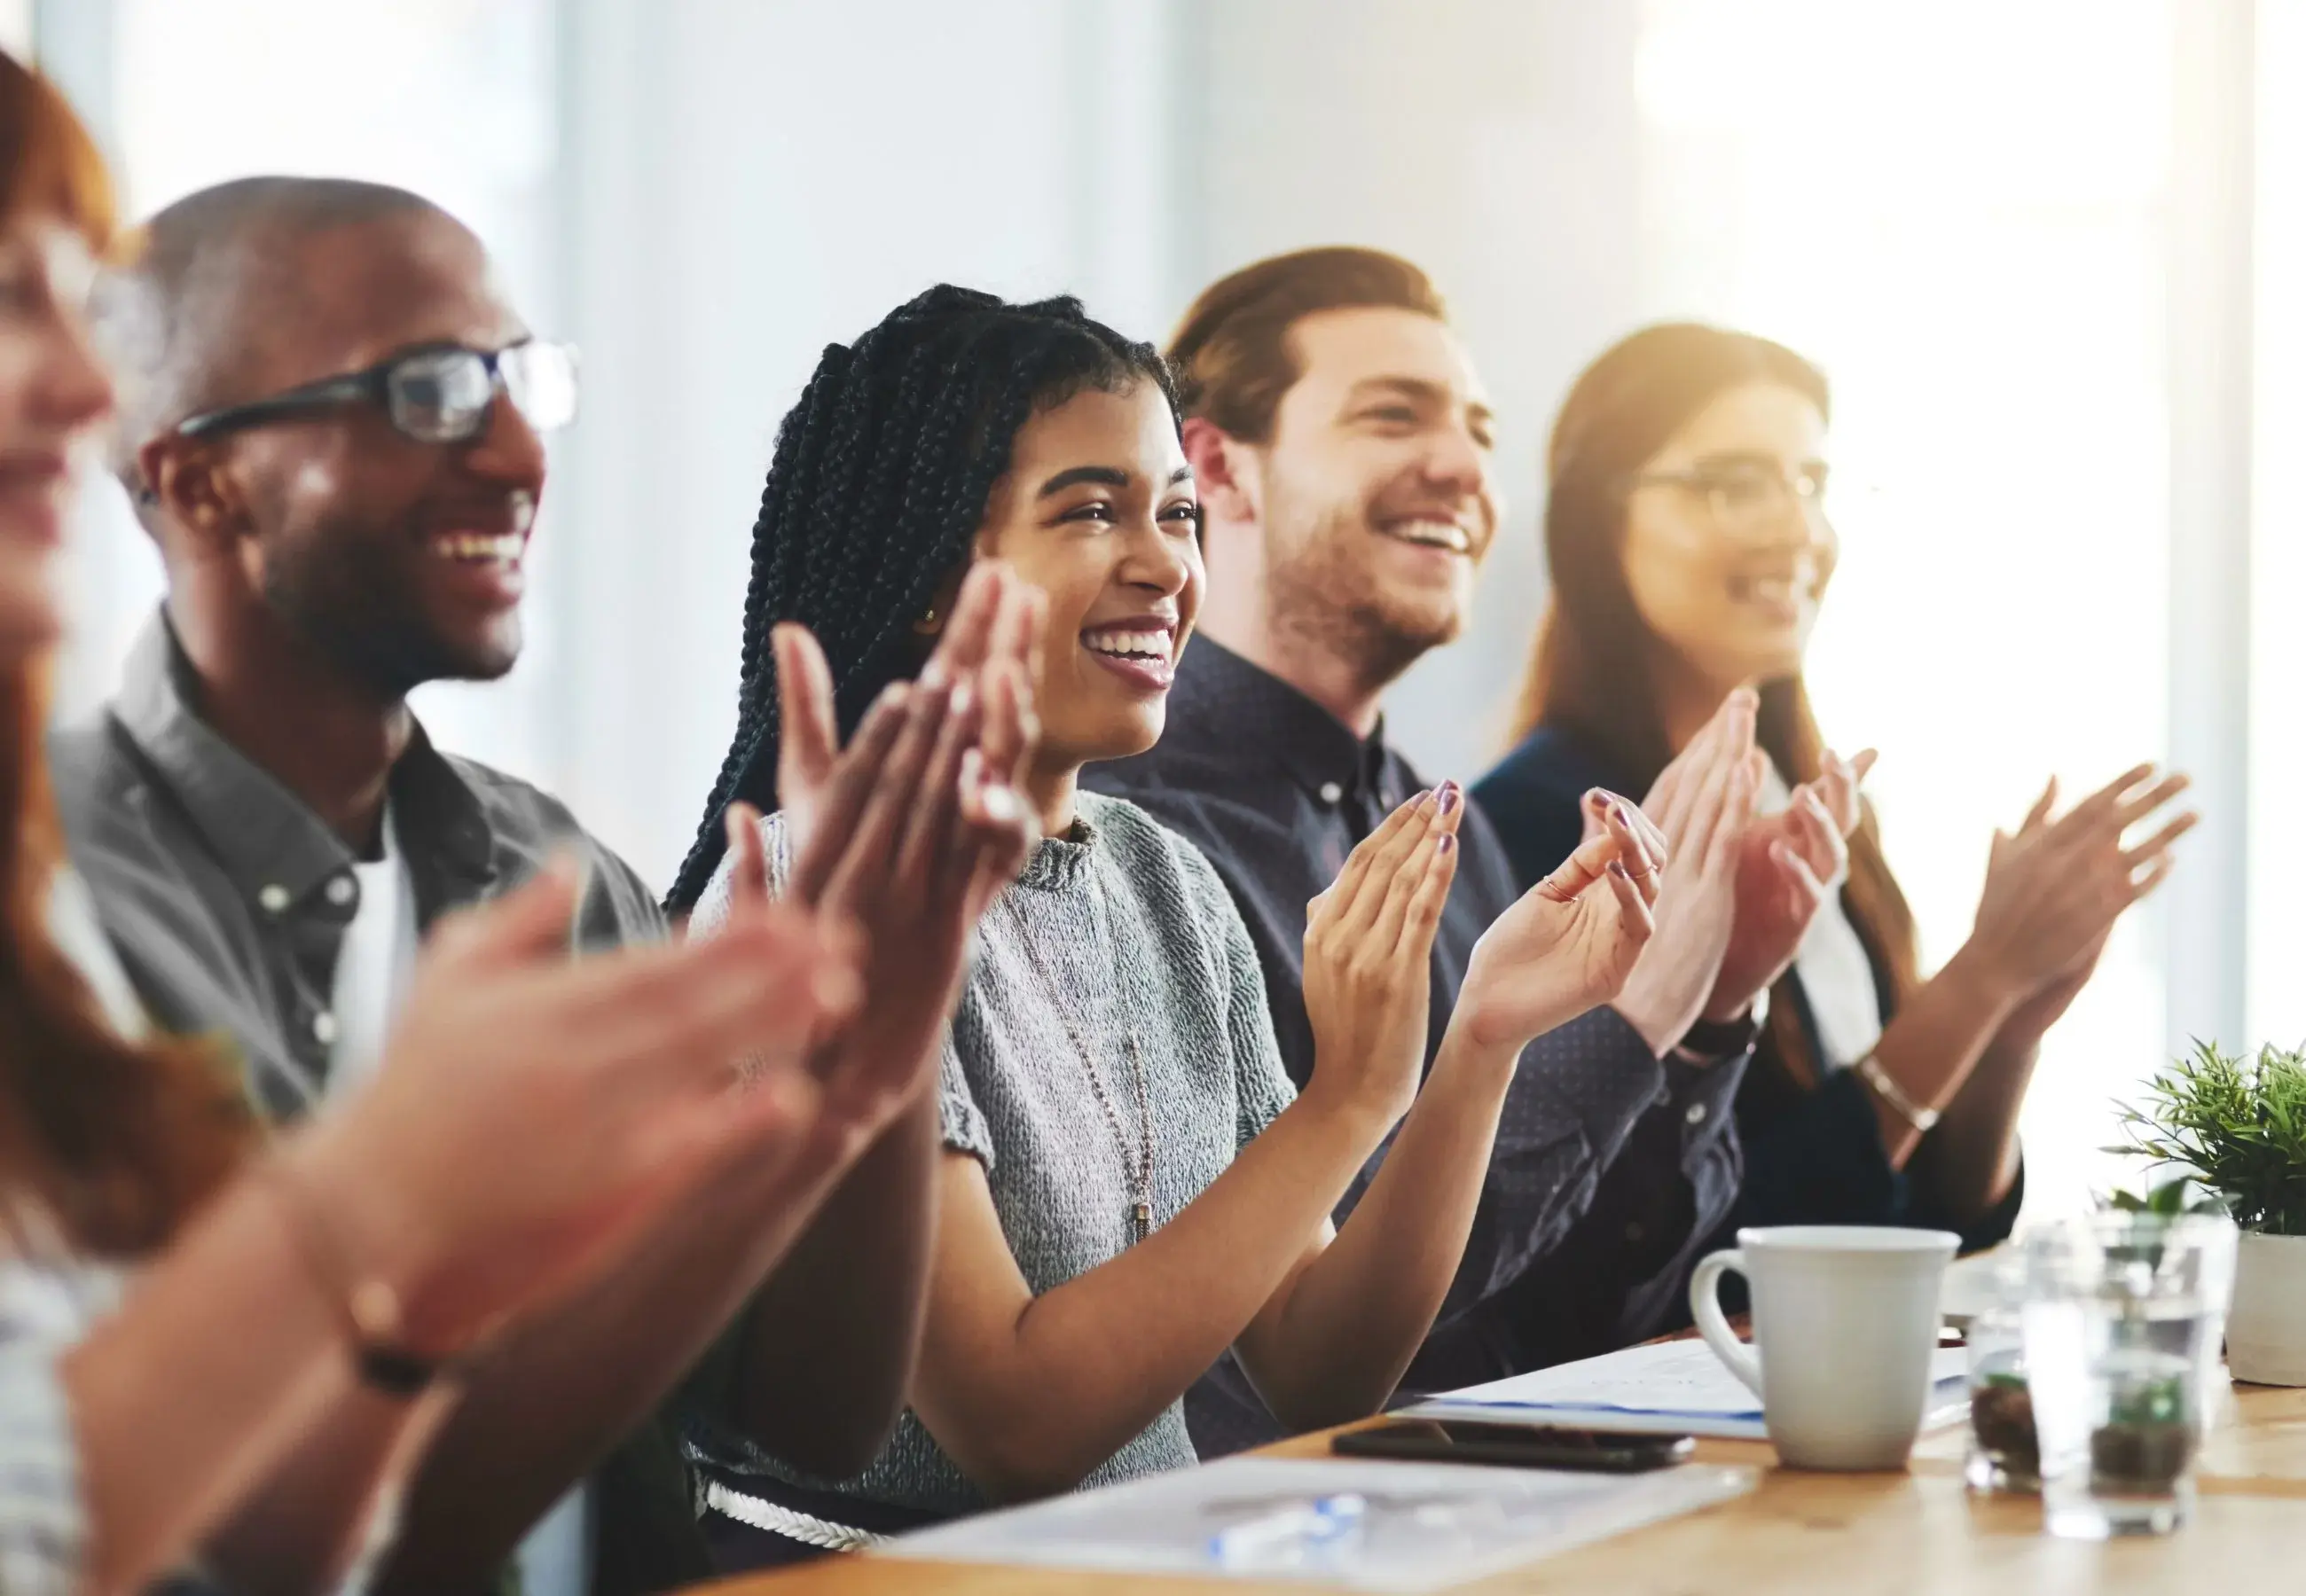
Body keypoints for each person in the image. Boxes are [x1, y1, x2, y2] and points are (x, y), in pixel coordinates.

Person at [0, 49, 1023, 1596]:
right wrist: (382, 1219)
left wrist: (872, 1060)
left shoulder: (549, 873)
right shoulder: (59, 893)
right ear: (198, 485)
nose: (519, 454)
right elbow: (288, 1539)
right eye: (425, 393)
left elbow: (811, 1412)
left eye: (517, 380)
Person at [666, 285, 1659, 1559]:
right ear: (932, 576)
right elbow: (1015, 1427)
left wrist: (1475, 1047)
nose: (1167, 566)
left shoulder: (1164, 883)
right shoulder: (823, 892)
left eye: (1177, 514)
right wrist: (1344, 1102)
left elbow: (1316, 1366)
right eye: (1091, 510)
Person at [1085, 249, 1827, 1436]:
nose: (1464, 465)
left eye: (1478, 428)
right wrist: (1633, 1028)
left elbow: (1570, 1311)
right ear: (1219, 464)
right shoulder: (1134, 842)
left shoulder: (1458, 830)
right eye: (1394, 416)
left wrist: (1707, 1017)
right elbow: (1338, 1341)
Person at [1477, 322, 2197, 1245]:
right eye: (1735, 483)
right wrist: (1974, 984)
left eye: (1810, 483)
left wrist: (2007, 1024)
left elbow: (1925, 1220)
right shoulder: (1543, 826)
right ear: (1594, 523)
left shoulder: (1815, 801)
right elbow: (1703, 1242)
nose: (1799, 530)